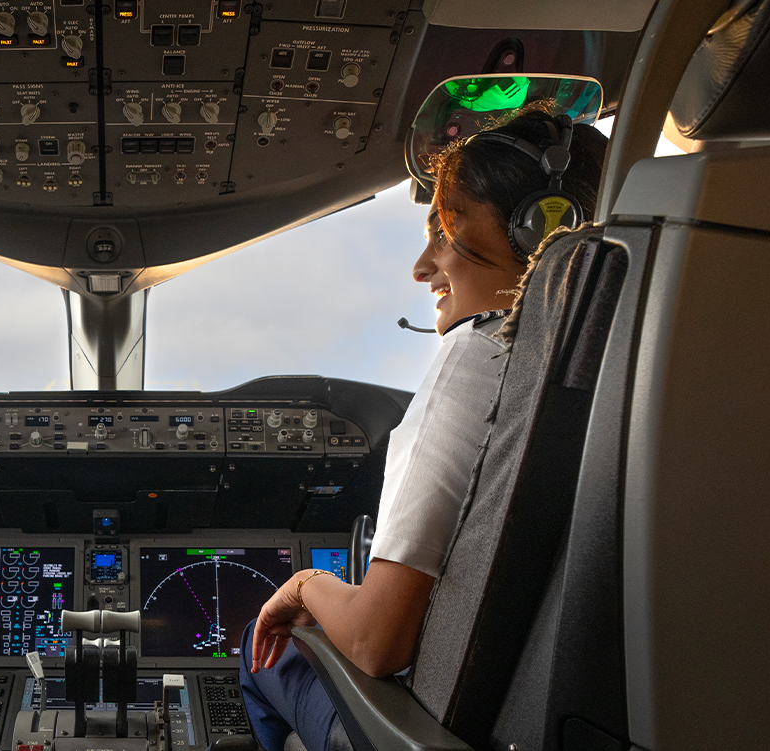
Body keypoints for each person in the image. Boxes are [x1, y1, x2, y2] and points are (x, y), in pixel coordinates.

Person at [239, 106, 608, 751]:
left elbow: (378, 643)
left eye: (444, 229)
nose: (422, 266)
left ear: (539, 232)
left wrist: (304, 584)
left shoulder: (482, 355)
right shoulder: (621, 368)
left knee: (261, 645)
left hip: (432, 728)